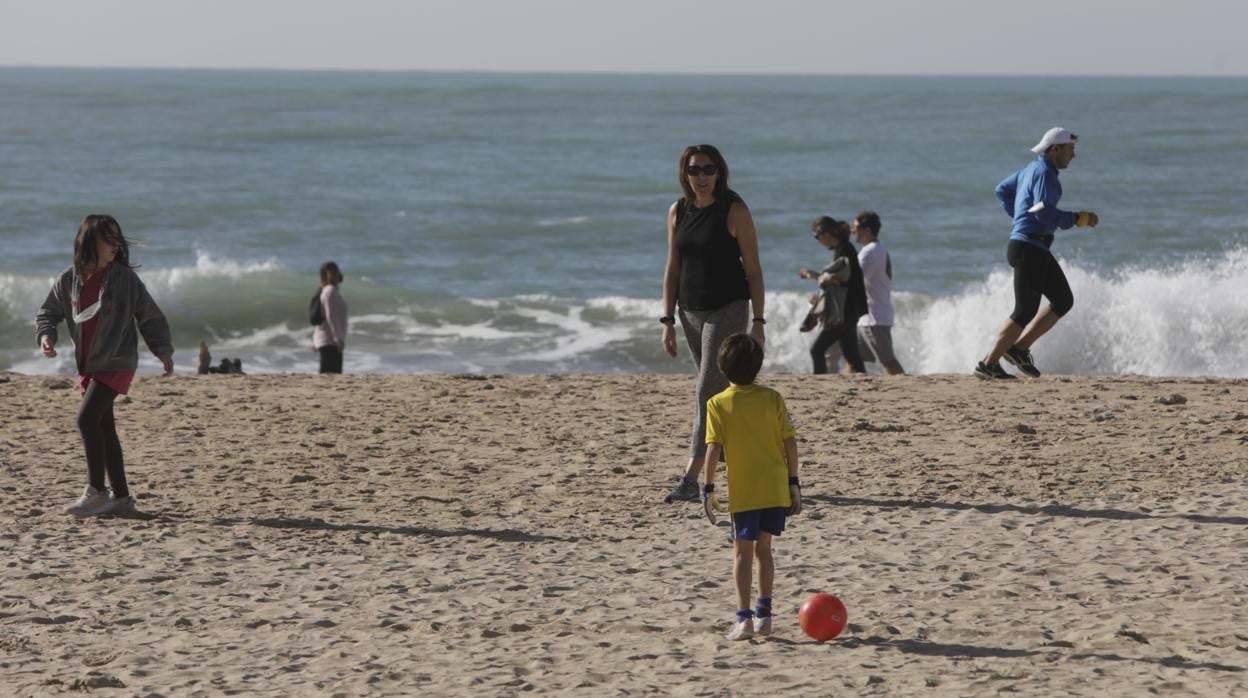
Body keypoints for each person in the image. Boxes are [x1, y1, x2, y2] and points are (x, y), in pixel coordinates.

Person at [36, 214, 174, 517]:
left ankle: (97, 492)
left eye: (117, 238)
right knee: (104, 427)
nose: (115, 244)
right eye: (108, 238)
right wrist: (47, 336)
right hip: (88, 364)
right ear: (90, 242)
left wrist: (162, 350)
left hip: (118, 360)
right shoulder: (69, 279)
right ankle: (123, 500)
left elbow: (149, 315)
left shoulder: (124, 278)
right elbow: (48, 312)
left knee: (86, 420)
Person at [661, 145, 767, 503]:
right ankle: (752, 456)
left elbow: (753, 269)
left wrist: (758, 320)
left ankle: (690, 479)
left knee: (706, 392)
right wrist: (668, 319)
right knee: (722, 393)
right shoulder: (678, 211)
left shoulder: (733, 210)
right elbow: (672, 268)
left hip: (728, 308)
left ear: (719, 173)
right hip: (690, 311)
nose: (702, 177)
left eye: (708, 170)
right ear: (685, 174)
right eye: (695, 171)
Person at [975, 127, 1099, 379]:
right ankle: (988, 363)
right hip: (1028, 247)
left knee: (1063, 299)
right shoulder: (1044, 173)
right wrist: (1079, 219)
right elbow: (1042, 211)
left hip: (1033, 247)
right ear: (1056, 149)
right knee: (1024, 310)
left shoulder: (1030, 169)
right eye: (1070, 150)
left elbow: (1002, 190)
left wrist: (1018, 214)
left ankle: (1019, 349)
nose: (1073, 156)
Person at [700, 333, 800, 640]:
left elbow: (713, 449)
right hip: (774, 486)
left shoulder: (717, 403)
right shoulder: (772, 398)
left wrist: (708, 488)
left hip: (745, 491)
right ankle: (765, 616)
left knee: (741, 553)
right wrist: (793, 481)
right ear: (757, 367)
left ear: (722, 367)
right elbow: (790, 442)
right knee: (764, 550)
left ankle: (744, 619)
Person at [797, 217, 867, 374]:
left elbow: (838, 281)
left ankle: (820, 385)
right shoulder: (843, 249)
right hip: (849, 309)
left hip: (844, 311)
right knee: (851, 354)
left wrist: (815, 276)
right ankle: (866, 383)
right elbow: (840, 282)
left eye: (816, 236)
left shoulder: (845, 251)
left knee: (817, 350)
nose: (817, 240)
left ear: (826, 233)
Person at [851, 211, 905, 374]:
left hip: (874, 318)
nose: (853, 232)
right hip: (867, 317)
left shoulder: (870, 251)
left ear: (867, 230)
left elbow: (853, 279)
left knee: (888, 362)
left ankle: (907, 386)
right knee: (854, 360)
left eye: (856, 228)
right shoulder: (876, 249)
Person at [314, 261, 348, 374]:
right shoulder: (330, 291)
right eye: (336, 272)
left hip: (327, 341)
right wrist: (338, 338)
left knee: (328, 376)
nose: (339, 275)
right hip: (330, 342)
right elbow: (331, 316)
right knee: (331, 376)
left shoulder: (326, 291)